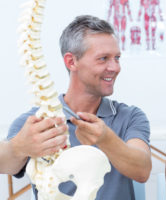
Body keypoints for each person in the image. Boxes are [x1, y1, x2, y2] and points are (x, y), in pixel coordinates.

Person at [1, 15, 152, 200]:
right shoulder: (35, 122)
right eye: (103, 59)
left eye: (117, 58)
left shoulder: (130, 116)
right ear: (71, 62)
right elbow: (6, 164)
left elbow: (142, 170)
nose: (115, 67)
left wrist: (106, 139)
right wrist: (19, 147)